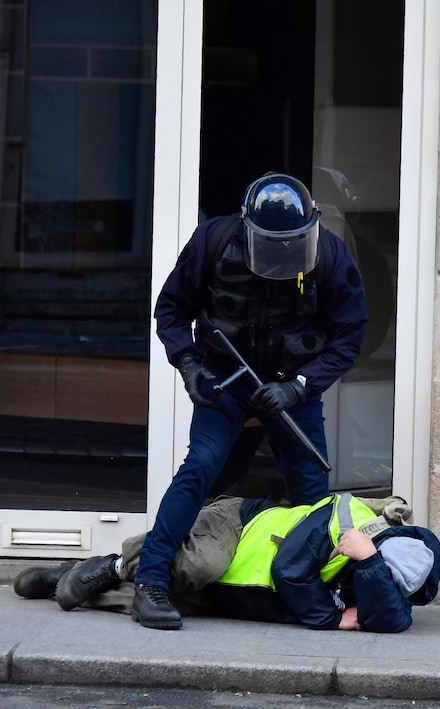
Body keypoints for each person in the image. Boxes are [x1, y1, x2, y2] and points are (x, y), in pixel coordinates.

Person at [137, 172, 367, 629]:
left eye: (292, 245)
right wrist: (188, 364)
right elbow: (172, 309)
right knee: (201, 465)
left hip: (289, 384)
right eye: (272, 245)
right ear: (248, 229)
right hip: (226, 375)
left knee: (312, 496)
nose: (283, 255)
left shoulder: (330, 256)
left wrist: (301, 385)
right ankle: (150, 580)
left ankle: (308, 590)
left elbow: (348, 337)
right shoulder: (215, 241)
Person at [13, 494, 440, 633]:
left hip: (237, 592)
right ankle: (110, 563)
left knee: (139, 602)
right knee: (199, 565)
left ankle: (63, 578)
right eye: (375, 572)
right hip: (238, 525)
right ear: (372, 546)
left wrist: (370, 569)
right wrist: (334, 620)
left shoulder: (381, 569)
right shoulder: (346, 524)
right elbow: (288, 573)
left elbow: (392, 620)